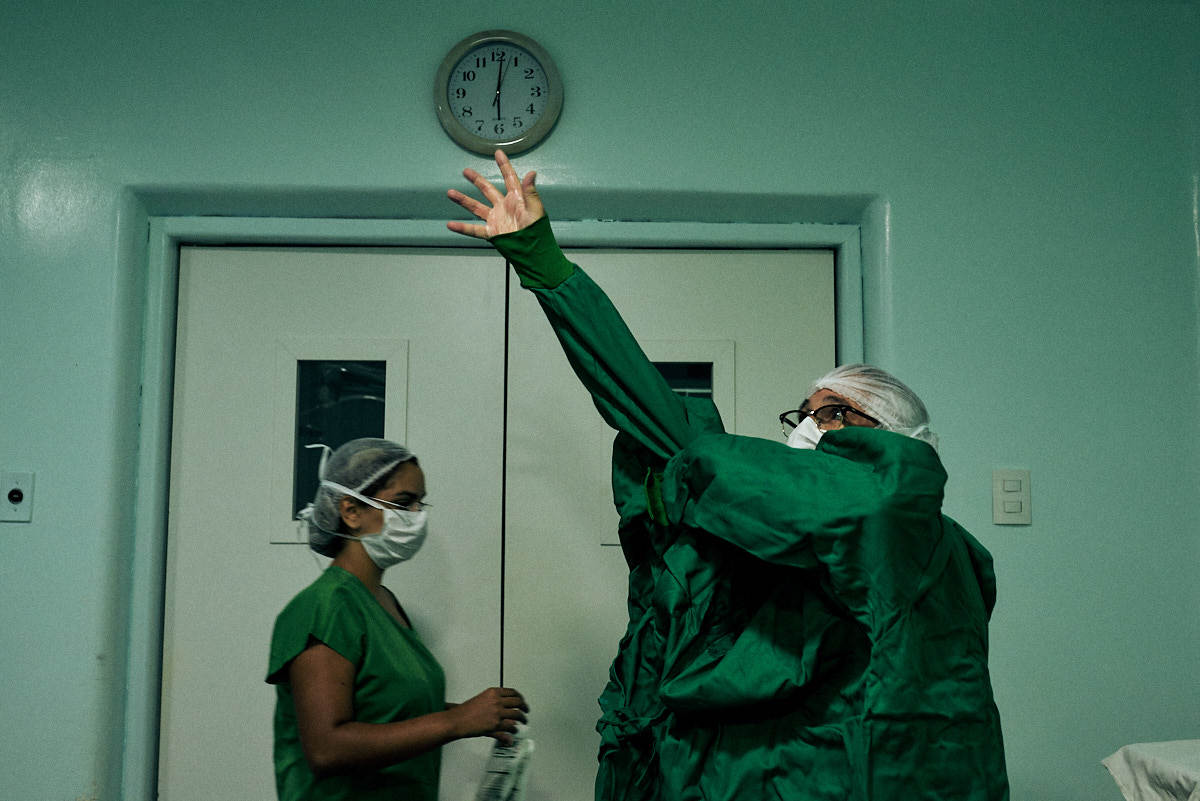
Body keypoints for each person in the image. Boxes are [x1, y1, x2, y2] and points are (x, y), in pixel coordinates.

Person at [445, 152, 1008, 800]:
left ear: (894, 439)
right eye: (804, 412)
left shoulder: (904, 525)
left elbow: (671, 432)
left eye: (833, 413)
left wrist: (546, 263)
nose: (807, 428)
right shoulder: (834, 532)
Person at [266, 437, 528, 801]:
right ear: (351, 512)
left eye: (421, 502)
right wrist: (456, 721)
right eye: (404, 503)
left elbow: (386, 709)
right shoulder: (324, 606)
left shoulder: (383, 602)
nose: (418, 515)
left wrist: (480, 717)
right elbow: (327, 748)